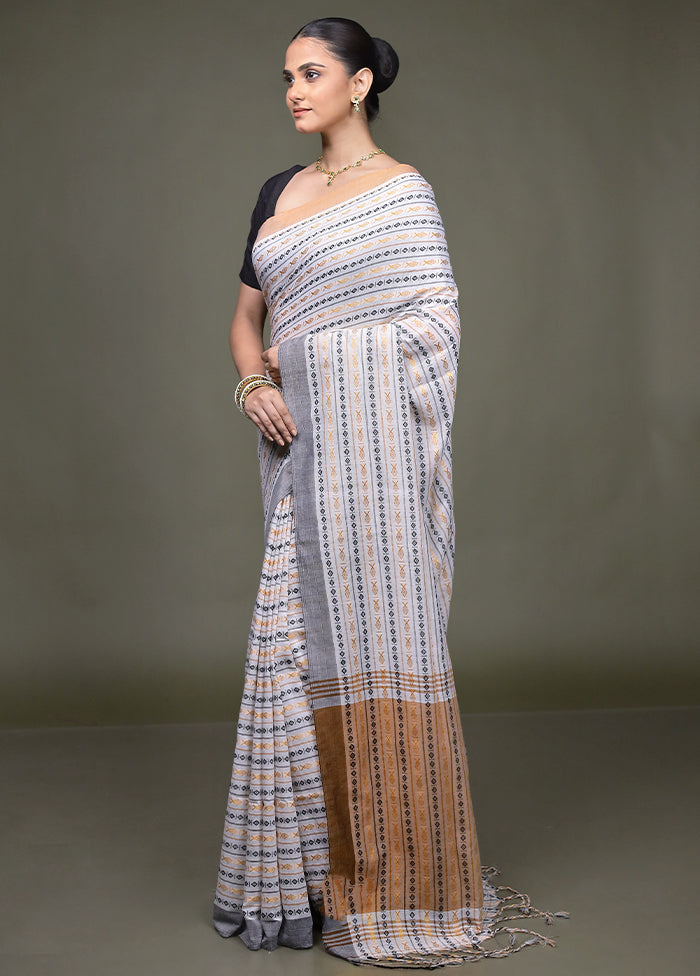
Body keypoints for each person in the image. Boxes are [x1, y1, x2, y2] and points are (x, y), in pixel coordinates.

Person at [213, 17, 565, 967]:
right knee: (291, 658)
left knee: (378, 645)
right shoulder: (277, 193)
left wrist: (313, 358)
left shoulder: (404, 194)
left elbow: (435, 329)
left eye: (312, 73)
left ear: (360, 83)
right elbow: (246, 321)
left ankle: (401, 881)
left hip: (372, 474)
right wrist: (253, 384)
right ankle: (306, 881)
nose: (294, 90)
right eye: (286, 76)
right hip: (298, 462)